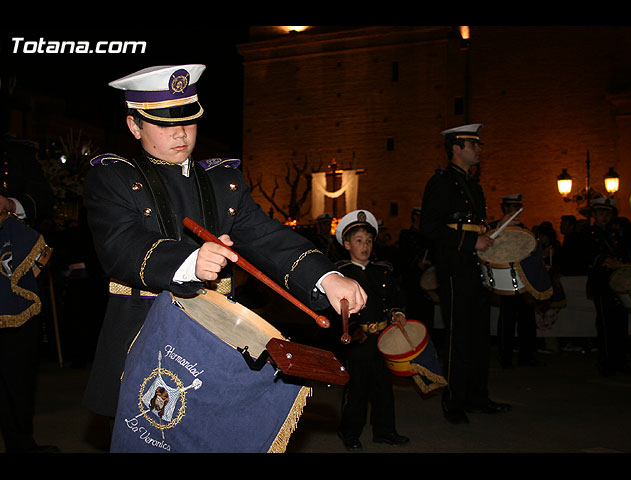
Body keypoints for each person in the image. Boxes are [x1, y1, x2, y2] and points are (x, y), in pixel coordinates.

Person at [82, 64, 367, 426]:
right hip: (143, 338)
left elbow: (267, 237)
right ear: (134, 126)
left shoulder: (223, 181)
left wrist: (326, 277)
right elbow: (120, 246)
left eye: (188, 119)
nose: (181, 133)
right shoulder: (113, 177)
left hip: (215, 339)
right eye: (164, 124)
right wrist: (190, 262)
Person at [420, 123, 511, 425]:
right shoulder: (443, 182)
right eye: (473, 145)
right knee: (459, 335)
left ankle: (477, 396)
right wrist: (471, 241)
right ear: (456, 148)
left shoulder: (474, 185)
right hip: (456, 268)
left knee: (479, 334)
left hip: (476, 267)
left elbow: (475, 227)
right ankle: (454, 401)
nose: (479, 149)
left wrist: (494, 230)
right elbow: (430, 227)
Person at [334, 210, 409, 451]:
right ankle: (350, 432)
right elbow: (336, 309)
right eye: (358, 241)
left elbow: (393, 298)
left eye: (368, 240)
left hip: (383, 338)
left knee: (383, 388)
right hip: (359, 340)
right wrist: (353, 329)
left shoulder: (383, 270)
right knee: (357, 388)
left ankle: (385, 431)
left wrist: (397, 313)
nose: (364, 246)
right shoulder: (341, 273)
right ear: (347, 244)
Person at [0, 136, 57, 453]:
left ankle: (20, 444)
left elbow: (43, 197)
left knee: (16, 368)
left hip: (11, 272)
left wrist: (10, 204)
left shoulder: (16, 151)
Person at [490, 194, 540, 368]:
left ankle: (527, 356)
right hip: (505, 280)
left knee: (527, 320)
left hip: (522, 280)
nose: (515, 212)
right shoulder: (495, 229)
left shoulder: (525, 230)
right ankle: (505, 358)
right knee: (507, 320)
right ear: (504, 209)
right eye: (511, 209)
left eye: (518, 209)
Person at [586, 198, 631, 376]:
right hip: (601, 284)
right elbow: (586, 255)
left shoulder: (615, 235)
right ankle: (606, 362)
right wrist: (604, 261)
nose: (604, 217)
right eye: (600, 213)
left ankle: (620, 361)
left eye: (607, 214)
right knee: (605, 325)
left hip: (619, 284)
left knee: (620, 323)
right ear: (594, 215)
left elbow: (625, 253)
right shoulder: (589, 234)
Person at [397, 206, 436, 333]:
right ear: (415, 217)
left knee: (427, 319)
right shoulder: (406, 235)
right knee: (414, 319)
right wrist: (416, 262)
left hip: (426, 287)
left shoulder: (428, 238)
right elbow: (403, 258)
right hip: (412, 285)